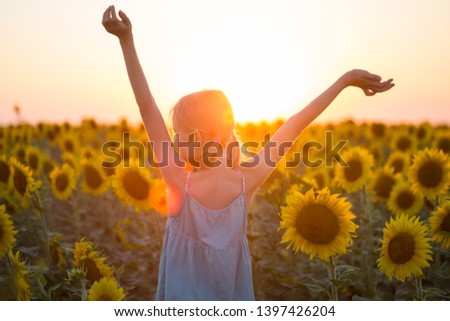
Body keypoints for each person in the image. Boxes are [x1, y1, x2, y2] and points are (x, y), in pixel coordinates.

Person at [102, 5, 394, 300]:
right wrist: (344, 81)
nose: (174, 142)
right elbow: (296, 123)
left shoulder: (177, 180)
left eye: (178, 134)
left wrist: (126, 42)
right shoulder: (247, 180)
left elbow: (146, 106)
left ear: (200, 136)